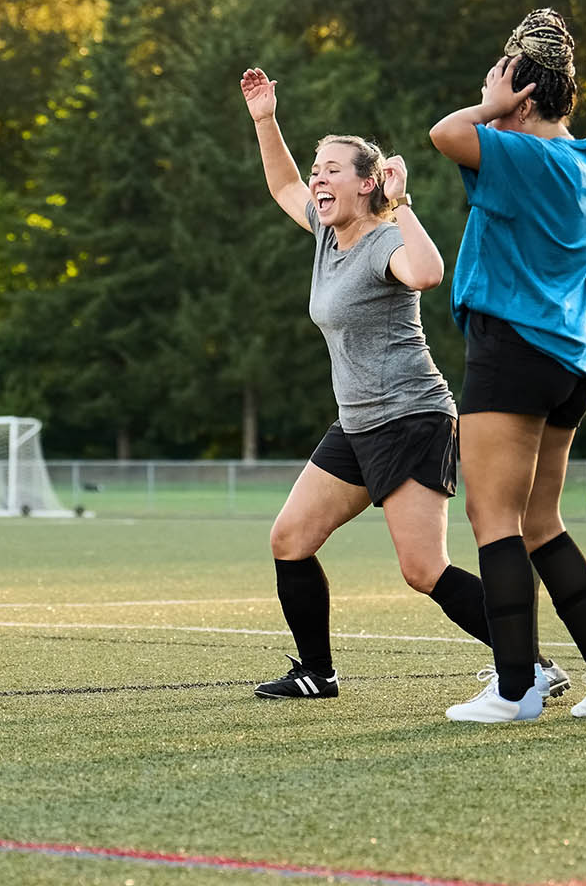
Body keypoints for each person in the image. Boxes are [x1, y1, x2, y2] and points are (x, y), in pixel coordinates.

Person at [237, 67, 562, 701]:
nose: (317, 179)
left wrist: (403, 202)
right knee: (290, 539)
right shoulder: (326, 236)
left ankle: (532, 666)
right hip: (357, 423)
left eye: (332, 170)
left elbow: (427, 273)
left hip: (411, 418)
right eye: (317, 169)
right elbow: (281, 183)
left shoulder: (385, 239)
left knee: (423, 569)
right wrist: (265, 119)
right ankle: (316, 673)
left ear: (367, 184)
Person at [430, 9, 586, 723]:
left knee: (493, 516)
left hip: (512, 351)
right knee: (542, 522)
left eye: (497, 84)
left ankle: (516, 688)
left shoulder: (517, 153)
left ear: (521, 96)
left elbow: (445, 134)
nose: (485, 96)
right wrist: (506, 105)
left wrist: (491, 105)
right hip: (571, 362)